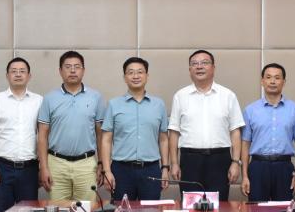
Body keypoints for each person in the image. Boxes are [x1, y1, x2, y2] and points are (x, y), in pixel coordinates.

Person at [168, 50, 245, 201]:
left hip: (220, 159)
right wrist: (174, 163)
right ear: (190, 69)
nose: (199, 67)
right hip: (189, 160)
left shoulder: (228, 95)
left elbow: (235, 131)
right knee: (190, 208)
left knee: (219, 207)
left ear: (213, 68)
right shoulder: (180, 96)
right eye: (194, 64)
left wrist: (235, 162)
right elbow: (174, 132)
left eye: (204, 63)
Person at [37, 51, 106, 203]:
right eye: (68, 67)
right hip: (56, 164)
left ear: (83, 70)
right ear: (60, 71)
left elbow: (101, 135)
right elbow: (42, 135)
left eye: (77, 67)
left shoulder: (96, 97)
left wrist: (102, 163)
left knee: (88, 211)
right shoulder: (49, 98)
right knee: (58, 211)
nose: (73, 70)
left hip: (86, 164)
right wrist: (44, 167)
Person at [100, 57, 170, 201]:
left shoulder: (159, 105)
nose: (135, 76)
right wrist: (107, 171)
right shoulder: (114, 104)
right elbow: (106, 140)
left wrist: (165, 168)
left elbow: (163, 139)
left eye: (140, 72)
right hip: (121, 170)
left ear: (147, 76)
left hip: (151, 169)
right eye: (131, 72)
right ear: (125, 77)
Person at [0, 57, 43, 212]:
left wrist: (43, 167)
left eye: (22, 71)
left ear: (29, 76)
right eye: (14, 71)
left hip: (30, 169)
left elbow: (43, 135)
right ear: (7, 75)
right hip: (3, 168)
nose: (18, 74)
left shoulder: (39, 101)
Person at [241, 63, 295, 202]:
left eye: (277, 78)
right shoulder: (250, 110)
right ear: (262, 81)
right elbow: (245, 144)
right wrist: (245, 176)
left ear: (284, 82)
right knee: (256, 211)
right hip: (258, 167)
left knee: (283, 210)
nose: (272, 81)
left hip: (284, 167)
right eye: (268, 77)